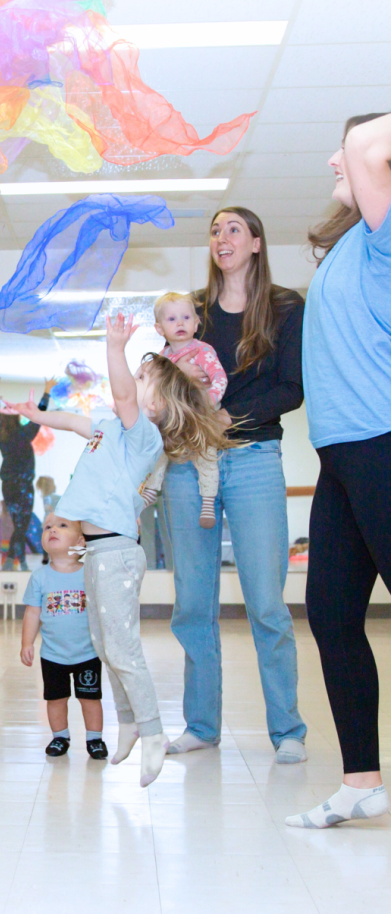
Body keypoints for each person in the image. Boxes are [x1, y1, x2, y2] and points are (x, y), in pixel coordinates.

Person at [3, 315, 228, 787]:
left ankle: (153, 732)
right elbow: (73, 422)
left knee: (123, 649)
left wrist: (115, 349)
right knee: (105, 646)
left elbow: (125, 397)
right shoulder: (109, 428)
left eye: (141, 378)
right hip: (98, 553)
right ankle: (128, 723)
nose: (130, 383)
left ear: (156, 403)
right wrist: (37, 416)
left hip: (117, 554)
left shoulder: (143, 435)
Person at [162, 207, 307, 763]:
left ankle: (288, 731)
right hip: (187, 464)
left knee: (266, 603)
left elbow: (292, 388)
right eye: (215, 230)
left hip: (254, 459)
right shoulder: (192, 311)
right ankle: (201, 726)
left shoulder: (286, 307)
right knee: (192, 603)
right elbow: (165, 382)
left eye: (233, 230)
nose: (221, 238)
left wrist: (230, 418)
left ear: (256, 243)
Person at [286, 112, 391, 829]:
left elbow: (363, 144)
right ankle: (361, 781)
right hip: (340, 454)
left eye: (344, 151)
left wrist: (362, 142)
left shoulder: (384, 232)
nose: (334, 160)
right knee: (329, 613)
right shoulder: (353, 242)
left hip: (380, 442)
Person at [20, 512, 108, 759]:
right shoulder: (39, 577)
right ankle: (60, 737)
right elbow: (32, 613)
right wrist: (27, 643)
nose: (53, 530)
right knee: (55, 699)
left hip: (88, 653)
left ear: (80, 540)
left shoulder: (90, 573)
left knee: (90, 699)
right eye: (47, 527)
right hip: (53, 655)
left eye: (62, 525)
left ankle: (95, 739)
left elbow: (103, 610)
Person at [142, 292, 228, 529]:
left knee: (206, 453)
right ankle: (151, 488)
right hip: (174, 414)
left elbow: (219, 377)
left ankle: (208, 500)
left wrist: (209, 401)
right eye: (171, 319)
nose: (180, 323)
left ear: (196, 323)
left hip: (201, 411)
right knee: (160, 448)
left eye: (186, 317)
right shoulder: (162, 358)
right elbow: (154, 385)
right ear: (159, 328)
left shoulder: (203, 350)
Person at [0, 376, 52, 571]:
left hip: (8, 486)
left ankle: (16, 560)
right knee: (21, 525)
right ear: (17, 417)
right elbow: (39, 414)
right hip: (24, 487)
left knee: (19, 524)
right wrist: (47, 392)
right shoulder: (25, 434)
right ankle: (16, 561)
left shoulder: (0, 436)